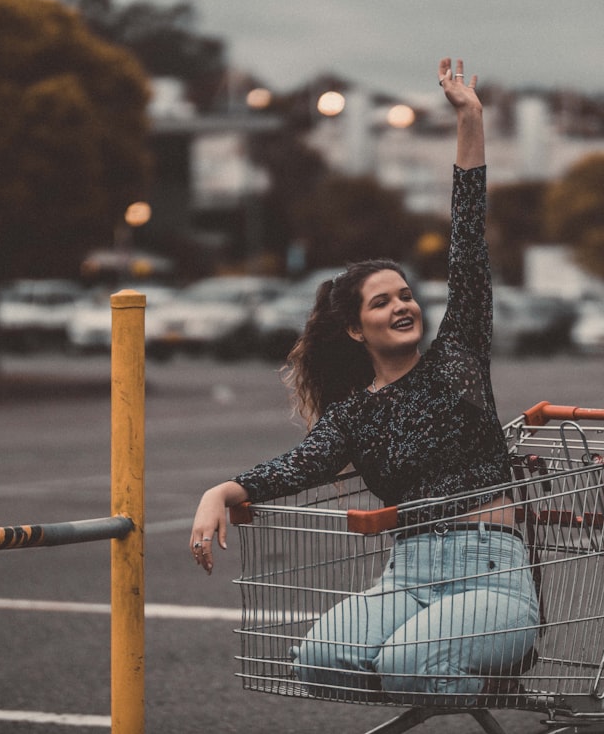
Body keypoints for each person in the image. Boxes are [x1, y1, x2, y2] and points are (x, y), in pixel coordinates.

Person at [189, 57, 539, 703]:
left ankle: (462, 660)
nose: (402, 306)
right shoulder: (354, 413)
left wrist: (471, 119)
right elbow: (298, 466)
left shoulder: (458, 354)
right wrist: (222, 490)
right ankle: (444, 667)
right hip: (408, 576)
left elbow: (467, 243)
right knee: (319, 661)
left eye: (405, 295)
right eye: (381, 303)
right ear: (355, 329)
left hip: (490, 572)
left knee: (408, 665)